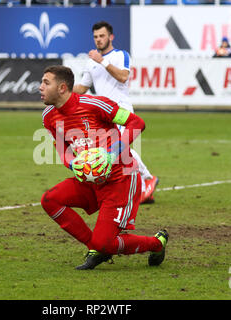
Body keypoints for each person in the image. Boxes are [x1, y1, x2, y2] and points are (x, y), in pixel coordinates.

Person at [39, 65, 168, 270]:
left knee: (105, 243)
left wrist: (112, 153)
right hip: (90, 180)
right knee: (50, 200)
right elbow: (63, 149)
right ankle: (95, 247)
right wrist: (74, 164)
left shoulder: (96, 105)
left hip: (120, 179)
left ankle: (156, 243)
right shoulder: (49, 116)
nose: (40, 87)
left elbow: (137, 122)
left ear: (62, 87)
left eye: (46, 83)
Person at [73, 21, 159, 204]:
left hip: (121, 109)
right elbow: (82, 87)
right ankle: (140, 186)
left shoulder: (120, 55)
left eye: (102, 36)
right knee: (115, 150)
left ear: (111, 37)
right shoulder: (91, 62)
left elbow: (123, 77)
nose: (98, 40)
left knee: (120, 148)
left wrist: (102, 61)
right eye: (95, 37)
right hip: (103, 113)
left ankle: (147, 179)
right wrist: (61, 92)